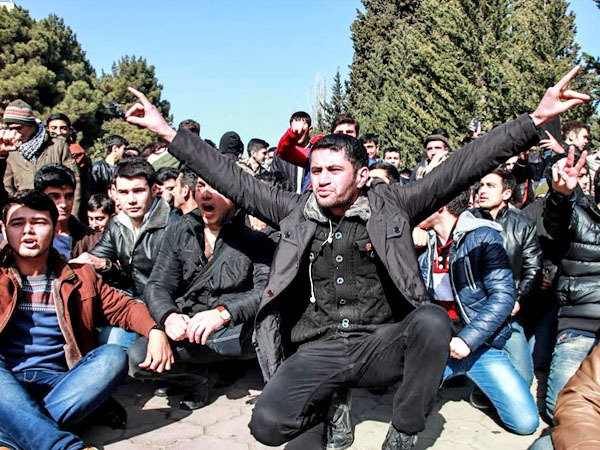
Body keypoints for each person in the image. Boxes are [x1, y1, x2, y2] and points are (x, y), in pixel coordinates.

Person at [124, 66, 588, 449]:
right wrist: (167, 132)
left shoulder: (396, 205)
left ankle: (404, 431)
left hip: (380, 344)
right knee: (267, 426)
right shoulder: (293, 210)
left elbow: (462, 166)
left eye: (333, 170)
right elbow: (233, 179)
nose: (321, 179)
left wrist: (533, 120)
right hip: (317, 348)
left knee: (431, 321)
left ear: (362, 176)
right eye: (315, 171)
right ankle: (326, 408)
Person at [0, 189, 173, 450]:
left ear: (55, 228)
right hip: (7, 383)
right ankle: (62, 445)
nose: (28, 231)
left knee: (113, 357)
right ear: (4, 230)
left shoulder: (79, 276)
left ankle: (12, 435)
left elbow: (125, 308)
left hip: (62, 383)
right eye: (17, 223)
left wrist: (156, 330)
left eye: (38, 222)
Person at [128, 177, 275, 409]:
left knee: (264, 332)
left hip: (234, 330)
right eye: (200, 186)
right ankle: (198, 378)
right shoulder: (181, 229)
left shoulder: (255, 232)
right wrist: (168, 317)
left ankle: (251, 379)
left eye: (216, 187)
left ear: (234, 192)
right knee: (139, 358)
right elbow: (157, 285)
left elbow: (266, 291)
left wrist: (223, 313)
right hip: (190, 329)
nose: (206, 194)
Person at [417, 191, 539, 435]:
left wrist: (468, 340)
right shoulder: (422, 240)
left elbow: (504, 296)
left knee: (525, 423)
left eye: (424, 201)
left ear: (441, 206)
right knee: (408, 409)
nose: (417, 207)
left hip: (478, 344)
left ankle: (479, 387)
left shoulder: (482, 236)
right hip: (437, 344)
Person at [542, 149, 600, 420]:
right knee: (561, 409)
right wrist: (561, 195)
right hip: (580, 327)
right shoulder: (580, 215)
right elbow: (557, 219)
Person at [72, 158, 177, 301]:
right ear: (114, 193)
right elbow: (94, 258)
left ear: (154, 190)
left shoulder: (175, 226)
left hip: (168, 307)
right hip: (133, 302)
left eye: (138, 191)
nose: (131, 200)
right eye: (123, 192)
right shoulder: (117, 224)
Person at [476, 169, 542, 386]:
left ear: (506, 194)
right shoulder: (467, 221)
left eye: (490, 186)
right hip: (470, 310)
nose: (482, 190)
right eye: (481, 185)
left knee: (522, 378)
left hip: (506, 312)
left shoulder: (523, 225)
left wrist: (518, 299)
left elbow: (532, 268)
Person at [1, 100, 82, 217]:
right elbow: (8, 187)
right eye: (10, 128)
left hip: (56, 214)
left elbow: (75, 183)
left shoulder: (57, 145)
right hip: (25, 215)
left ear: (31, 125)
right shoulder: (10, 150)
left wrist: (71, 217)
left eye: (18, 128)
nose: (14, 133)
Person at [34, 164, 100, 259]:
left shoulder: (91, 238)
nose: (64, 204)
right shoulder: (28, 236)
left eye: (69, 196)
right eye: (55, 196)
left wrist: (104, 264)